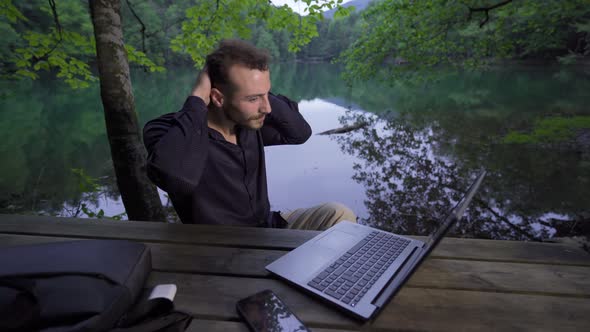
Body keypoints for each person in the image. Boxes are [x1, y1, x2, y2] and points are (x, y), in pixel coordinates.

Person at [143, 39, 356, 230]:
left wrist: (258, 90)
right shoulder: (168, 130)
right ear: (217, 97)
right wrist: (198, 98)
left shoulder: (248, 123)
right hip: (227, 247)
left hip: (268, 226)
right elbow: (176, 180)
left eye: (267, 95)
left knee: (339, 215)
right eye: (253, 99)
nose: (267, 108)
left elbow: (299, 133)